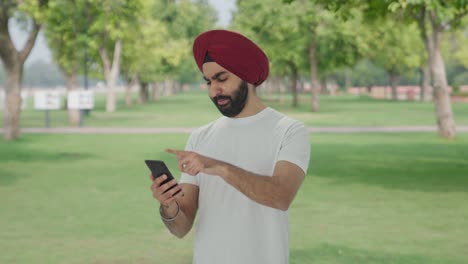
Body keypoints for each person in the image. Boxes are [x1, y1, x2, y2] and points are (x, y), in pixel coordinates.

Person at [149, 29, 310, 264]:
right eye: (208, 82)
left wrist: (218, 167)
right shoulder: (200, 137)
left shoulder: (289, 131)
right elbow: (181, 227)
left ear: (245, 75)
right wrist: (168, 205)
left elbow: (280, 196)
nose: (214, 90)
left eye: (222, 79)